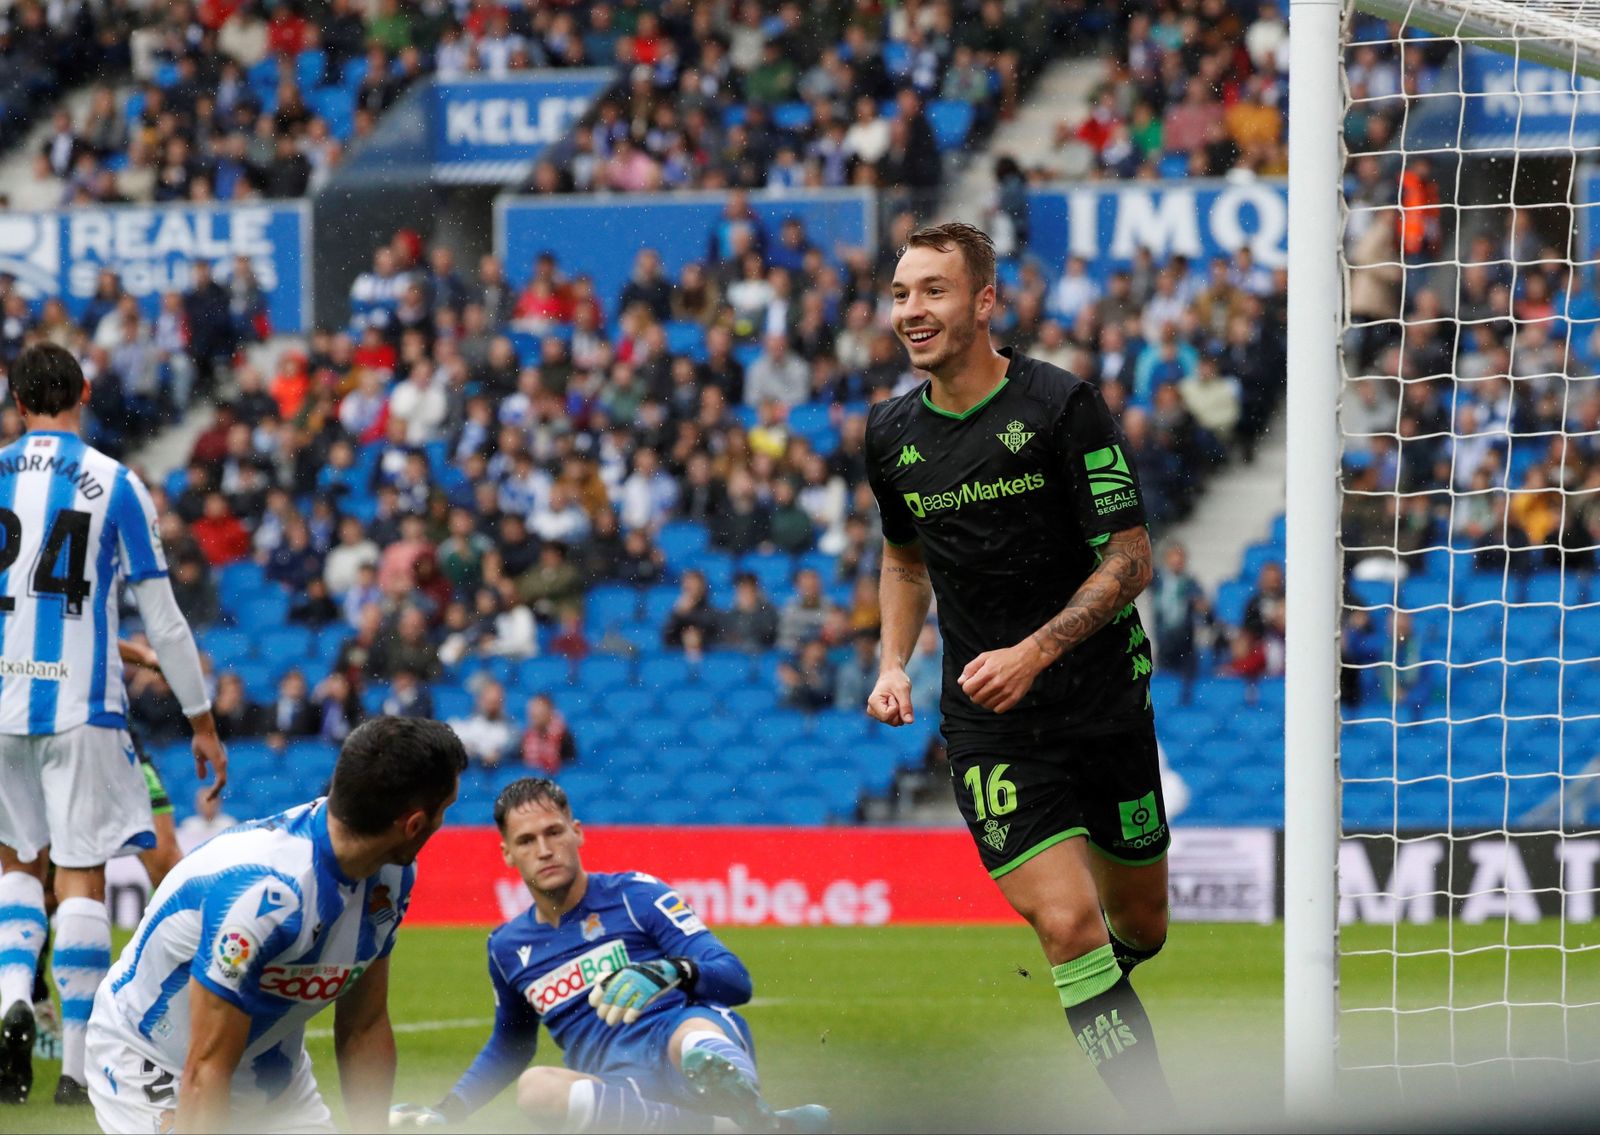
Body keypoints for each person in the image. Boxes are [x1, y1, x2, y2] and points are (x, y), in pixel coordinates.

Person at [863, 224, 1173, 1122]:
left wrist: (1037, 650)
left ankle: (1099, 989)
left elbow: (1130, 559)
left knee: (1138, 927)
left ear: (984, 302)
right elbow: (905, 559)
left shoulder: (1062, 405)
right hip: (990, 721)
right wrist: (893, 662)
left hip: (1104, 700)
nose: (911, 311)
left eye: (933, 291)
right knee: (1068, 926)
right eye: (899, 294)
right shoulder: (889, 435)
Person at [0, 344, 227, 1107]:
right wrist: (201, 719)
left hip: (0, 703)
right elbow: (163, 620)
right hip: (82, 707)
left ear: (16, 399)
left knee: (14, 865)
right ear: (85, 393)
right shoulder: (115, 483)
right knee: (81, 871)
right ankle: (76, 1065)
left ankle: (7, 998)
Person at [86, 717, 467, 1133]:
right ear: (413, 825)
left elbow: (364, 1027)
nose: (443, 823)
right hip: (156, 1062)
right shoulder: (266, 898)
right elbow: (206, 1070)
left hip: (270, 1077)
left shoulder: (390, 876)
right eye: (444, 810)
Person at [388, 778, 827, 1133]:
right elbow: (510, 1045)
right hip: (619, 1094)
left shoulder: (637, 895)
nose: (543, 849)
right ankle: (745, 1128)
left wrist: (673, 970)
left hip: (677, 1049)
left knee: (693, 1039)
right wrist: (448, 1112)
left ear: (577, 833)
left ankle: (742, 1105)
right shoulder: (506, 948)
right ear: (507, 854)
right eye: (526, 840)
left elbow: (735, 979)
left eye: (554, 832)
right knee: (535, 1089)